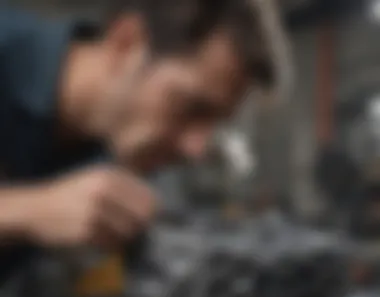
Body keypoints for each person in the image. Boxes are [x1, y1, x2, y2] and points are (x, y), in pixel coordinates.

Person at [0, 0, 274, 281]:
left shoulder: (110, 151)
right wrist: (31, 210)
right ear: (126, 43)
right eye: (191, 108)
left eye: (214, 123)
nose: (196, 149)